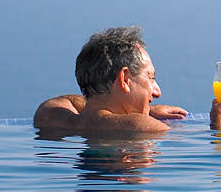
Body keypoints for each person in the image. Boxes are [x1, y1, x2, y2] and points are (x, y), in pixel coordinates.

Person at [33, 25, 191, 135]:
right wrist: (217, 121)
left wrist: (146, 109)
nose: (157, 91)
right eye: (150, 77)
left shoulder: (49, 118)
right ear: (125, 79)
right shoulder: (140, 126)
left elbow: (59, 102)